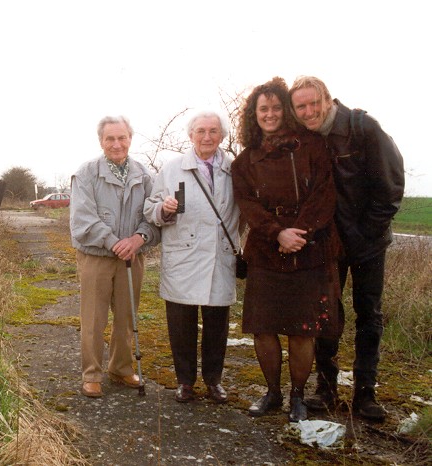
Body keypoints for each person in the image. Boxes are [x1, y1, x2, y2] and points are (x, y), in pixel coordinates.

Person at [289, 76, 405, 421]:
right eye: (301, 106)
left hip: (369, 241)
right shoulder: (305, 138)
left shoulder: (362, 127)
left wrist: (365, 233)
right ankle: (326, 388)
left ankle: (365, 394)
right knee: (327, 313)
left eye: (313, 103)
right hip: (328, 244)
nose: (309, 111)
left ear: (327, 100)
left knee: (369, 314)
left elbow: (391, 187)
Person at [232, 77, 342, 422]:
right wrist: (277, 233)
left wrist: (301, 233)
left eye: (276, 107)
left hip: (310, 250)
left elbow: (325, 195)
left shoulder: (313, 146)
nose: (270, 114)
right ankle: (273, 394)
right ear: (254, 114)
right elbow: (248, 205)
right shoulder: (245, 161)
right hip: (265, 250)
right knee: (264, 327)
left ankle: (297, 396)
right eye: (263, 109)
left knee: (302, 328)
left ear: (287, 110)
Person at [143, 110, 238, 404]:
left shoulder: (235, 169)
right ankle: (185, 382)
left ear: (222, 136)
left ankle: (213, 381)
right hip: (184, 257)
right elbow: (150, 208)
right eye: (201, 131)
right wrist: (164, 210)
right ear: (190, 135)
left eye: (213, 131)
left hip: (218, 257)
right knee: (181, 324)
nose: (207, 137)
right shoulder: (172, 169)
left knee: (216, 325)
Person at [70, 115, 159, 398]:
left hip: (132, 257)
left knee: (127, 316)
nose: (117, 144)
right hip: (96, 256)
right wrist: (113, 241)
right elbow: (83, 219)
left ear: (130, 139)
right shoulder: (86, 173)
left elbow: (152, 218)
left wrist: (138, 238)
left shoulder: (144, 175)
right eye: (110, 138)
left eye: (122, 138)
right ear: (101, 141)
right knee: (94, 319)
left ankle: (121, 368)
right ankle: (91, 374)